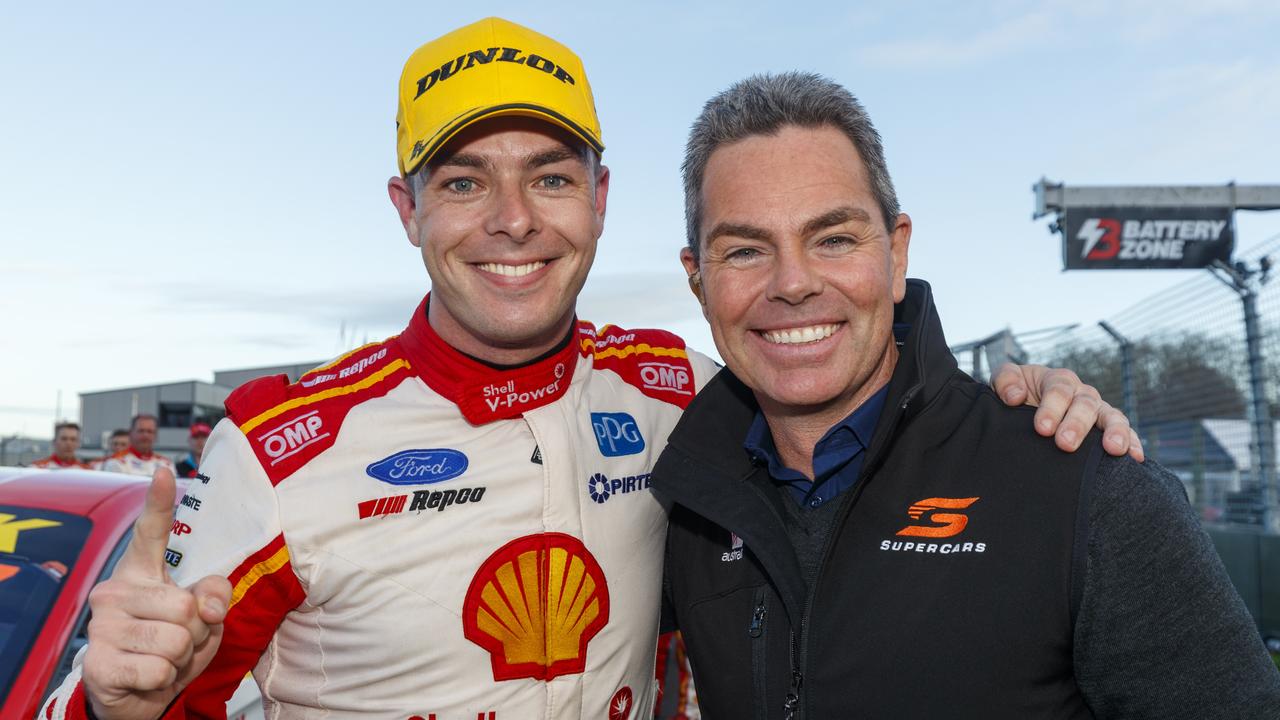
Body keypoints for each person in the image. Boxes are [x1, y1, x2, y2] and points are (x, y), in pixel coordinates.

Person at [42, 20, 1137, 720]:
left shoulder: (674, 389)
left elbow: (852, 408)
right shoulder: (280, 448)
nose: (513, 220)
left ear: (600, 202)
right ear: (405, 210)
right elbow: (147, 701)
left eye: (551, 177)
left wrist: (1021, 401)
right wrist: (107, 701)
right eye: (464, 182)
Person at [654, 72, 1280, 719]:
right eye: (745, 250)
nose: (792, 284)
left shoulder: (1085, 488)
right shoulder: (684, 500)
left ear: (896, 255)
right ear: (698, 282)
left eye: (833, 239)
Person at [99, 414, 176, 477]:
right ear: (131, 433)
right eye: (141, 431)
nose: (145, 435)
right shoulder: (115, 462)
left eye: (150, 431)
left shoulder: (167, 465)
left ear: (156, 435)